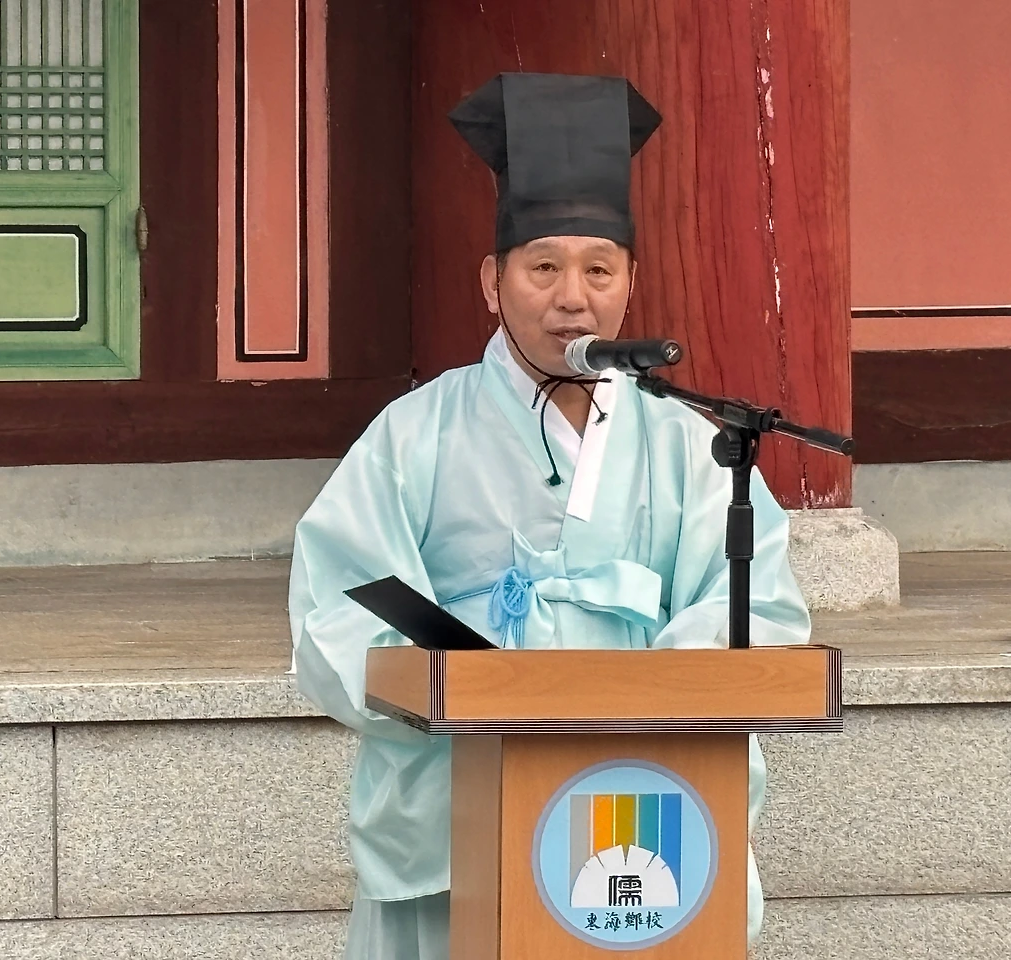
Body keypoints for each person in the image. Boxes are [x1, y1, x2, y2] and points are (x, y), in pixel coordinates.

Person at [289, 72, 811, 960]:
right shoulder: (415, 434)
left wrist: (627, 705)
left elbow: (756, 609)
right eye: (543, 268)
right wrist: (458, 688)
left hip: (644, 803)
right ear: (492, 282)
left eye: (598, 270)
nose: (573, 298)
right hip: (459, 799)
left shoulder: (691, 446)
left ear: (630, 285)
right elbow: (337, 606)